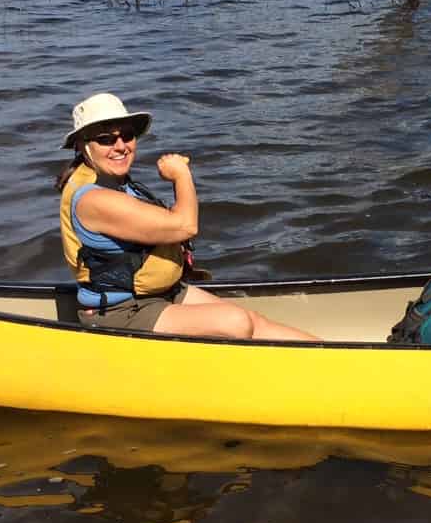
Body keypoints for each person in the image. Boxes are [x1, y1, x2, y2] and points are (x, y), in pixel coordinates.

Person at [56, 92, 319, 340]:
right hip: (121, 313)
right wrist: (181, 174)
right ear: (83, 146)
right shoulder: (93, 199)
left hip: (158, 294)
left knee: (254, 321)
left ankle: (333, 356)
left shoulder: (115, 183)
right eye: (105, 139)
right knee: (236, 323)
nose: (120, 146)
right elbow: (185, 226)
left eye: (127, 135)